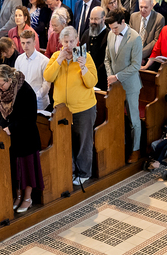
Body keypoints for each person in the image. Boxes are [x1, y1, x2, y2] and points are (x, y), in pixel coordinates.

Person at [45, 27, 98, 185]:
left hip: (83, 108)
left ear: (77, 41)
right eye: (66, 41)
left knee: (83, 142)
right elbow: (48, 76)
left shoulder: (86, 57)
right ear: (61, 42)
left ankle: (84, 173)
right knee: (65, 142)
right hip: (62, 110)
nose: (69, 45)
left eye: (71, 41)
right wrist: (59, 60)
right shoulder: (56, 56)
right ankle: (70, 171)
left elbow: (92, 82)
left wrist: (83, 67)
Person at [0, 64, 44, 213]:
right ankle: (18, 195)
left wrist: (11, 128)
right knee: (15, 170)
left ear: (9, 79)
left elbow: (30, 118)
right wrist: (0, 129)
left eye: (1, 84)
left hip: (25, 138)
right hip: (9, 139)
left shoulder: (25, 91)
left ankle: (27, 198)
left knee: (26, 170)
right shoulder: (1, 91)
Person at [105, 11, 142, 163]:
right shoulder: (110, 34)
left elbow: (136, 65)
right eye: (111, 28)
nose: (113, 31)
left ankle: (136, 150)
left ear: (123, 22)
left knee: (134, 120)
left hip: (130, 85)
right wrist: (110, 77)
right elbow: (107, 59)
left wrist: (117, 77)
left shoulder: (135, 37)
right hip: (114, 86)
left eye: (115, 28)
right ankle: (121, 148)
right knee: (116, 118)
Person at [15, 29, 50, 109]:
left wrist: (33, 96)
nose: (25, 46)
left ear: (34, 42)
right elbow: (16, 80)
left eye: (28, 42)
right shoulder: (19, 59)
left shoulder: (44, 61)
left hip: (39, 103)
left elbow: (46, 85)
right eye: (23, 43)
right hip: (23, 101)